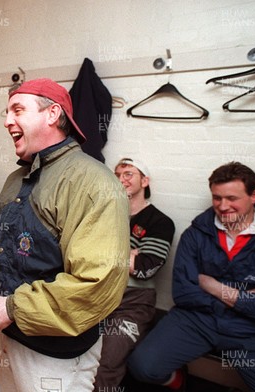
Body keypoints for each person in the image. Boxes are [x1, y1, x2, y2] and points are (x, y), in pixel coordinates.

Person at [0, 78, 130, 391]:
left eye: (17, 110)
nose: (6, 121)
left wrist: (10, 308)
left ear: (52, 114)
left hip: (55, 355)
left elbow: (96, 282)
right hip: (9, 336)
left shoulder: (94, 183)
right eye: (7, 112)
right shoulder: (16, 178)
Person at [127, 162, 255, 392]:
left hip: (254, 330)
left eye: (232, 198)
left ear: (254, 195)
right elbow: (183, 293)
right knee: (142, 366)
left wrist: (215, 287)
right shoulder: (196, 233)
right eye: (217, 198)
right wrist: (245, 299)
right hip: (197, 320)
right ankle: (179, 380)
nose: (223, 206)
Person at [94, 157, 175, 389]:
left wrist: (106, 249)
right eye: (117, 174)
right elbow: (80, 252)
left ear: (145, 181)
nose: (121, 179)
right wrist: (129, 252)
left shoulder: (160, 221)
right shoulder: (103, 213)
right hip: (98, 291)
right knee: (71, 346)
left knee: (107, 360)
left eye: (128, 174)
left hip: (133, 301)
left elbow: (143, 268)